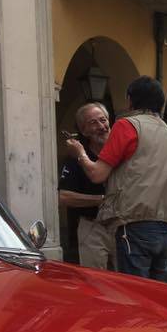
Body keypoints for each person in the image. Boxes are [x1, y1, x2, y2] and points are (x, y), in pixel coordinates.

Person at [67, 76, 167, 283]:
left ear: (130, 100)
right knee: (158, 293)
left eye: (102, 120)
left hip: (135, 224)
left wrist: (80, 154)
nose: (102, 125)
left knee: (134, 292)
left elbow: (97, 174)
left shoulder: (126, 126)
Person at [58, 102, 116, 270]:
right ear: (83, 131)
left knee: (127, 282)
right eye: (93, 123)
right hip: (93, 227)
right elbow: (63, 197)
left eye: (103, 120)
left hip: (122, 226)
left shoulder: (122, 152)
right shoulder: (76, 158)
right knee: (96, 281)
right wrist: (101, 200)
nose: (101, 126)